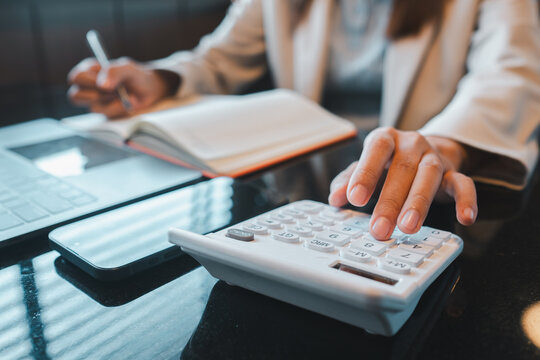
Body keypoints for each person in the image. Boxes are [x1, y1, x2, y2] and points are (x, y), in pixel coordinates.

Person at [67, 0, 540, 240]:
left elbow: (509, 72)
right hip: (303, 187)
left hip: (418, 193)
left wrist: (444, 142)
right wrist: (161, 78)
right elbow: (219, 58)